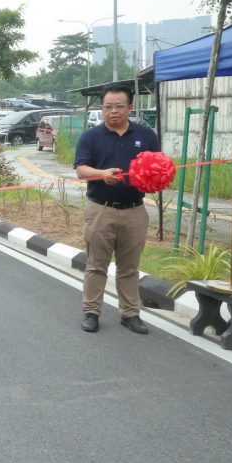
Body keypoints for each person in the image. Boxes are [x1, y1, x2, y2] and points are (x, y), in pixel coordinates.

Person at [74, 84, 159, 334]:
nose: (113, 111)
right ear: (102, 108)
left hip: (135, 210)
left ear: (130, 107)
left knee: (129, 266)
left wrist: (153, 180)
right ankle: (91, 312)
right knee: (96, 265)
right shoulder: (90, 137)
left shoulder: (146, 135)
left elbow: (157, 166)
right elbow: (80, 169)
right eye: (108, 106)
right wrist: (101, 174)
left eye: (119, 106)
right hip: (101, 209)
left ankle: (130, 313)